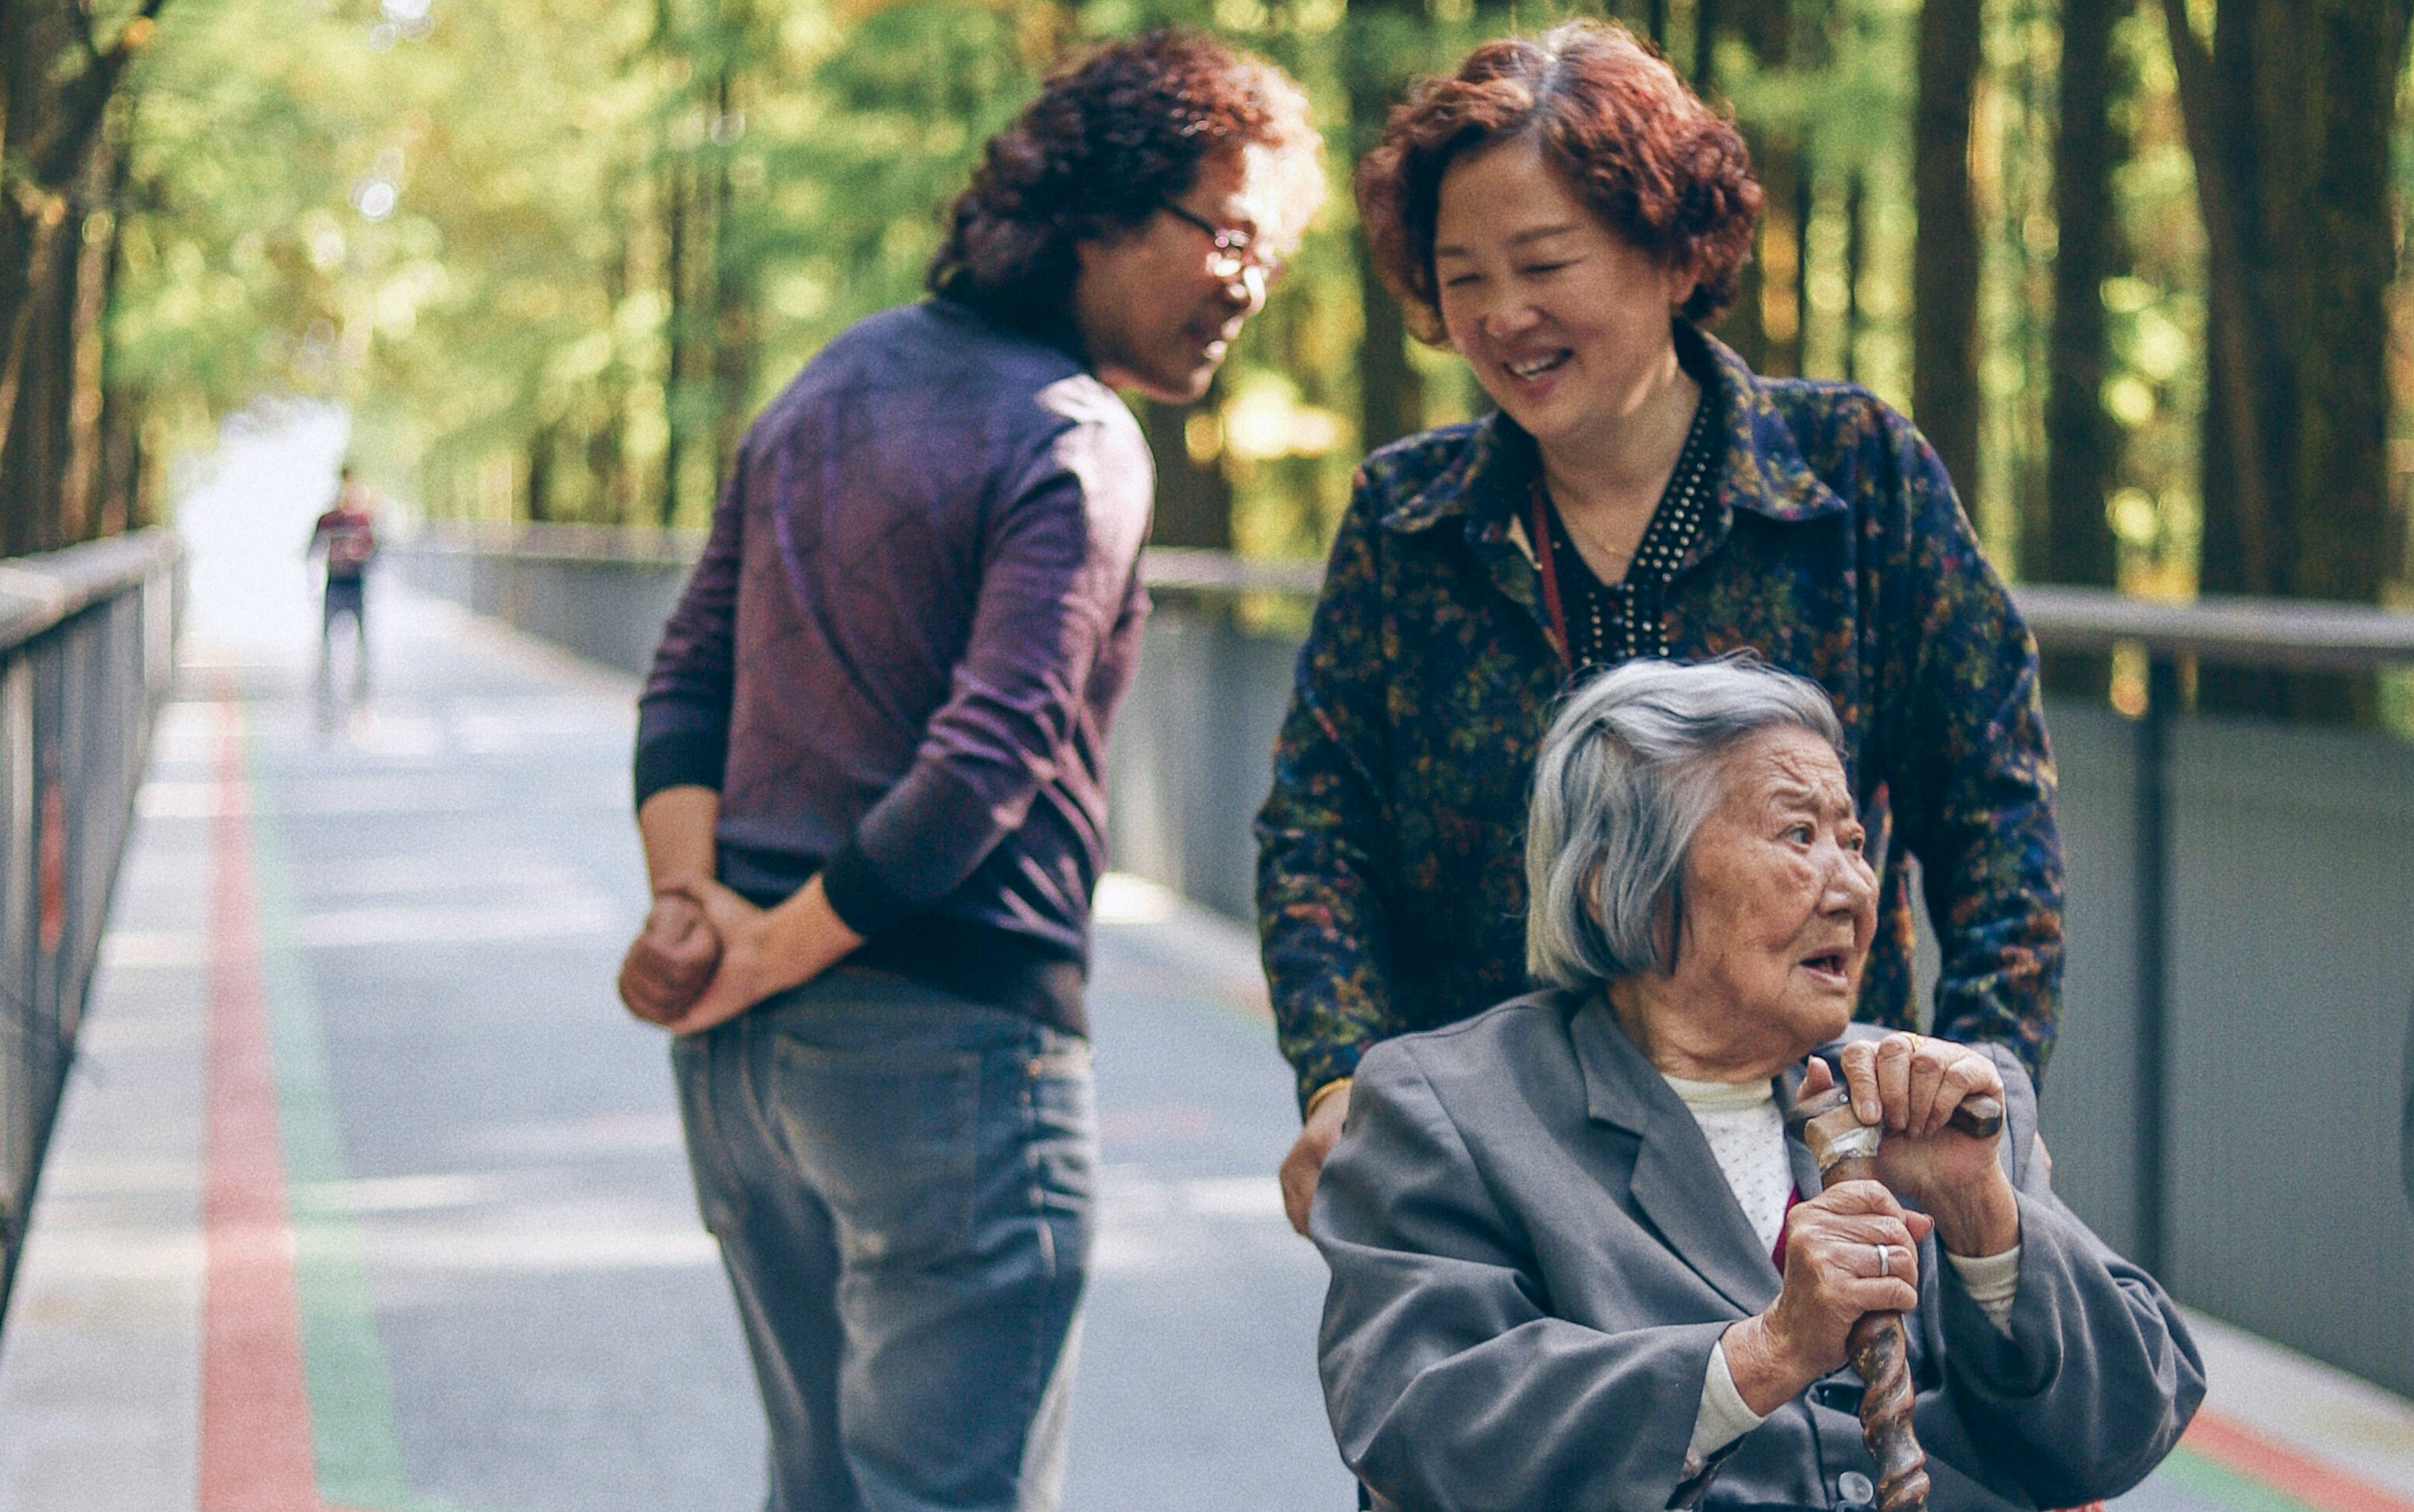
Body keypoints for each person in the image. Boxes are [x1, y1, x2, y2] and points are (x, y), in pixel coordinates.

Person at [629, 30, 1323, 1512]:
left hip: (743, 1074)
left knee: (810, 1486)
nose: (1247, 284)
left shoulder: (828, 381)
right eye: (1229, 237)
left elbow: (688, 674)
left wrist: (697, 913)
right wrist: (750, 950)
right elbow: (987, 757)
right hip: (944, 1052)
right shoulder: (1076, 438)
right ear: (1099, 210)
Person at [1257, 20, 2062, 1233]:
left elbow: (1995, 812)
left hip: (1817, 1164)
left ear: (1677, 252)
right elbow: (1320, 833)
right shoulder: (1405, 523)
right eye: (1463, 274)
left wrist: (1981, 1087)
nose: (1502, 314)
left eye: (1545, 262)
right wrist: (1341, 1075)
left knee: (1824, 1423)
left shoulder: (1857, 478)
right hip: (1499, 1171)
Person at [1314, 658, 2202, 1512]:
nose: (1853, 886)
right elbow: (1423, 1423)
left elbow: (2124, 1429)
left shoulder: (1936, 1099)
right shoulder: (1452, 1106)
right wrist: (1763, 1355)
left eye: (1854, 842)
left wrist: (1984, 1221)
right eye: (1799, 836)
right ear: (1620, 882)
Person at [306, 464, 379, 711]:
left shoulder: (364, 520)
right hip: (335, 585)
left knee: (362, 647)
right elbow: (312, 551)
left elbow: (376, 552)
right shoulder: (327, 520)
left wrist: (360, 553)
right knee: (326, 646)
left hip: (356, 585)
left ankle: (361, 704)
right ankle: (324, 702)